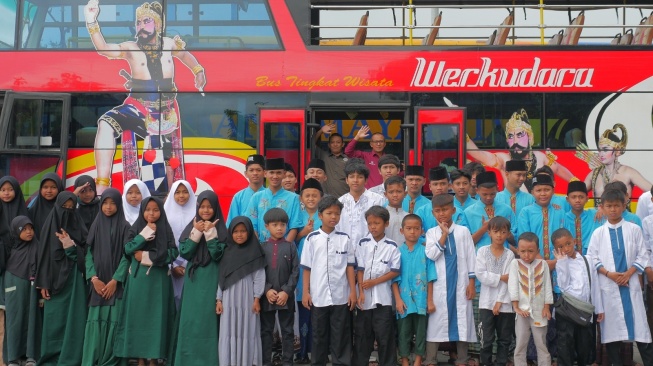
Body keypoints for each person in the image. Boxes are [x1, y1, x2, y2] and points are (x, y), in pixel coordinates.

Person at [85, 0, 206, 194]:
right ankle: (102, 186)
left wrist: (198, 70)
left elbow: (184, 56)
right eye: (138, 23)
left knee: (170, 163)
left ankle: (170, 198)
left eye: (146, 21)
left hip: (166, 112)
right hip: (137, 108)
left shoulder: (168, 44)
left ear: (157, 24)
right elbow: (104, 49)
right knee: (105, 123)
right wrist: (92, 21)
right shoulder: (131, 48)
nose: (141, 26)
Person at [587, 189, 653, 366]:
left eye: (617, 205)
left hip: (630, 285)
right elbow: (592, 258)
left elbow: (642, 254)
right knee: (612, 333)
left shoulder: (634, 229)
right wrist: (609, 274)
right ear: (602, 207)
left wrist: (630, 273)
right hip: (609, 288)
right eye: (609, 206)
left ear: (624, 206)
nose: (613, 209)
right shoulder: (598, 233)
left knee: (641, 330)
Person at [114, 197, 177, 366]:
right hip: (139, 280)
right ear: (142, 211)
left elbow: (173, 253)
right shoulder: (136, 228)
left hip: (159, 281)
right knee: (139, 318)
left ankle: (154, 358)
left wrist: (148, 257)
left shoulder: (165, 227)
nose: (151, 213)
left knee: (157, 319)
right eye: (148, 209)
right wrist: (144, 234)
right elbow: (128, 249)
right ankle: (140, 358)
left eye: (156, 210)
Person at [301, 195, 357, 366]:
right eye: (329, 213)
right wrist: (305, 292)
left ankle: (341, 362)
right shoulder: (312, 239)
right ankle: (318, 362)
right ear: (320, 215)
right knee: (319, 334)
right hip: (319, 296)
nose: (333, 217)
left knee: (341, 333)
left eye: (337, 214)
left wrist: (353, 292)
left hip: (341, 296)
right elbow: (307, 268)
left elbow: (349, 267)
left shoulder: (345, 239)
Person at [174, 190, 227, 366]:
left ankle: (209, 360)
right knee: (191, 319)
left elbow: (218, 255)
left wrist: (211, 234)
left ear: (215, 208)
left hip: (212, 277)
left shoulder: (221, 229)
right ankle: (187, 359)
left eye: (209, 206)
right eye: (202, 206)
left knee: (208, 319)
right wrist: (196, 233)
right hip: (194, 279)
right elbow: (185, 252)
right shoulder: (192, 226)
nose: (206, 210)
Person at [35, 191, 88, 366]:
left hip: (75, 280)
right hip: (52, 281)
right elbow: (42, 256)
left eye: (71, 208)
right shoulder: (48, 227)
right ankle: (50, 358)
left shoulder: (80, 227)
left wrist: (70, 245)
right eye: (64, 207)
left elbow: (87, 256)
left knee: (74, 318)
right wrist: (42, 282)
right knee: (54, 321)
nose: (67, 211)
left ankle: (71, 358)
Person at [424, 194, 477, 366]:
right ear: (433, 213)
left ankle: (462, 359)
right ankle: (431, 359)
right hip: (440, 286)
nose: (442, 214)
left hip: (461, 284)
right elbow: (432, 254)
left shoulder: (463, 231)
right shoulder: (431, 233)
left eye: (445, 209)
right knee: (436, 323)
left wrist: (471, 283)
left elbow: (471, 257)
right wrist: (444, 235)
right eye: (438, 211)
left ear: (453, 210)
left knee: (463, 320)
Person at [466, 109, 575, 191]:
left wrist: (578, 184)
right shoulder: (504, 159)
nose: (515, 141)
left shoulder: (540, 157)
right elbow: (478, 154)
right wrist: (460, 125)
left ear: (530, 137)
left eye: (519, 135)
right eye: (510, 137)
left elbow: (558, 169)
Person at [82, 188, 130, 366]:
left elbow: (128, 256)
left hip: (115, 287)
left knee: (114, 323)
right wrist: (93, 278)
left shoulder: (125, 227)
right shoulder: (95, 225)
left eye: (113, 203)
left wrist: (115, 281)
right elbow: (88, 254)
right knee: (96, 323)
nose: (109, 207)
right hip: (97, 285)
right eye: (105, 203)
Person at [353, 206, 401, 366]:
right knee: (362, 336)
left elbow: (394, 271)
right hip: (364, 300)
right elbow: (360, 269)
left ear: (386, 224)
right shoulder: (362, 243)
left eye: (377, 223)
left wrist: (374, 282)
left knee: (385, 336)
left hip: (383, 299)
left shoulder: (392, 246)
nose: (373, 227)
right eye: (370, 223)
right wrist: (360, 291)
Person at [216, 217, 266, 366]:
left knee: (247, 329)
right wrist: (219, 299)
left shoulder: (255, 252)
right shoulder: (227, 252)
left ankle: (246, 362)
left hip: (247, 298)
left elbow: (259, 277)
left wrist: (257, 298)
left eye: (243, 231)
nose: (239, 234)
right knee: (229, 330)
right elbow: (222, 278)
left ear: (249, 232)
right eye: (236, 231)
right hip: (228, 298)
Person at [551, 228, 604, 366]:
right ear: (555, 249)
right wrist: (562, 262)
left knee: (585, 345)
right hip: (568, 310)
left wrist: (599, 309)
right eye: (560, 247)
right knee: (565, 344)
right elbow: (563, 286)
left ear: (574, 241)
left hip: (584, 310)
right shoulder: (561, 262)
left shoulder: (588, 260)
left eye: (568, 243)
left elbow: (595, 286)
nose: (566, 248)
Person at [392, 214, 436, 366]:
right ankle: (404, 360)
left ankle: (418, 360)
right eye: (408, 228)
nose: (412, 232)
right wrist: (397, 300)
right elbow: (394, 279)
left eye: (416, 228)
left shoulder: (426, 251)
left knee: (421, 331)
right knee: (403, 332)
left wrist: (430, 300)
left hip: (421, 300)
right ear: (401, 230)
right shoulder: (397, 252)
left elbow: (431, 277)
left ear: (422, 231)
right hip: (403, 300)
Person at [260, 208, 299, 366]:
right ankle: (265, 361)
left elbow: (296, 271)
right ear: (266, 226)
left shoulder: (290, 247)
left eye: (283, 224)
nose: (279, 228)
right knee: (266, 331)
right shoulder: (262, 248)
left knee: (287, 331)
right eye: (275, 224)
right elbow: (258, 272)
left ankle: (287, 362)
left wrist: (286, 292)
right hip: (267, 296)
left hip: (286, 298)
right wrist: (267, 289)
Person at [475, 216, 515, 366]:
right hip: (486, 302)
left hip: (505, 303)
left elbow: (509, 280)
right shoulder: (482, 251)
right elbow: (481, 275)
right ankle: (485, 363)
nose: (499, 235)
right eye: (496, 231)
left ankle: (501, 363)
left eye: (503, 232)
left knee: (504, 339)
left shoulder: (509, 254)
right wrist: (500, 277)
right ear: (489, 233)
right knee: (486, 338)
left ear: (507, 234)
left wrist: (499, 302)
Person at [509, 232, 553, 366]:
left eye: (530, 251)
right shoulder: (515, 264)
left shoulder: (543, 264)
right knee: (520, 344)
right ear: (517, 250)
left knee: (541, 344)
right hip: (521, 312)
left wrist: (547, 307)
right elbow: (513, 285)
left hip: (540, 312)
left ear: (537, 251)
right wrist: (516, 307)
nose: (526, 255)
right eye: (522, 251)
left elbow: (547, 286)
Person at [579, 123, 652, 200]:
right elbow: (577, 194)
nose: (601, 154)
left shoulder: (628, 172)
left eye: (605, 150)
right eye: (600, 150)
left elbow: (650, 190)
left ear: (617, 151)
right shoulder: (594, 174)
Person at [294, 179, 323, 364]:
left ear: (321, 197)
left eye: (315, 195)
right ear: (301, 197)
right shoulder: (297, 215)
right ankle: (301, 351)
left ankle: (316, 352)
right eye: (307, 195)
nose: (311, 198)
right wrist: (302, 232)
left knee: (318, 312)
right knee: (302, 310)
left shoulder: (325, 215)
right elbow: (290, 239)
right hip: (300, 268)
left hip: (320, 269)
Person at [5, 216, 40, 366]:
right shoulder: (9, 249)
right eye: (24, 229)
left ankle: (31, 356)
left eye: (30, 228)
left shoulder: (38, 246)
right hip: (13, 289)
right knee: (15, 321)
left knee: (32, 320)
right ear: (15, 231)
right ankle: (13, 356)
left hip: (32, 289)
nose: (29, 232)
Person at [247, 158, 303, 242]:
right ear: (265, 174)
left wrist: (285, 248)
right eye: (271, 172)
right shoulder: (256, 197)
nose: (275, 176)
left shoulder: (293, 198)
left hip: (285, 249)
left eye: (278, 173)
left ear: (284, 174)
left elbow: (294, 226)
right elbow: (252, 225)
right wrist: (258, 248)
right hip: (261, 248)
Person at [336, 158, 385, 250]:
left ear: (366, 180)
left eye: (360, 177)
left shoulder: (377, 200)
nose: (355, 180)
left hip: (370, 250)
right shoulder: (340, 202)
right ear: (346, 180)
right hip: (344, 250)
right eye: (351, 176)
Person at [163, 180, 197, 308]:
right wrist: (173, 265)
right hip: (170, 265)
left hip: (192, 265)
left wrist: (186, 264)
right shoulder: (165, 214)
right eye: (177, 192)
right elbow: (164, 242)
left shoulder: (197, 213)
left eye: (185, 192)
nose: (181, 196)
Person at [464, 171, 516, 253]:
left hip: (504, 258)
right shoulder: (469, 212)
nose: (488, 197)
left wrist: (506, 232)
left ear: (497, 189)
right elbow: (466, 243)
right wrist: (483, 228)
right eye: (484, 194)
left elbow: (515, 240)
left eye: (492, 194)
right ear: (477, 190)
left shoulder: (506, 210)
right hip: (479, 259)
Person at [0, 176, 29, 316]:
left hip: (19, 265)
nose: (6, 193)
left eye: (10, 190)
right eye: (3, 190)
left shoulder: (24, 211)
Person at [416, 166, 466, 232]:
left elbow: (462, 234)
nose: (439, 188)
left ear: (449, 186)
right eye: (435, 184)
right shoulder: (421, 212)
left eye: (443, 184)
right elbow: (417, 237)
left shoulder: (458, 212)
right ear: (430, 187)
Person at [227, 154, 265, 226]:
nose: (255, 173)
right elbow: (232, 223)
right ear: (246, 173)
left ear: (264, 173)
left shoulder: (269, 195)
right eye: (251, 170)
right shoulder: (238, 197)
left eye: (258, 170)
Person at [313, 123, 349, 197]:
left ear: (343, 144)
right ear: (329, 145)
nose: (335, 144)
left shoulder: (348, 159)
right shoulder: (323, 155)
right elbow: (310, 144)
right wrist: (321, 131)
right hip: (325, 198)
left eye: (338, 142)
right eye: (332, 142)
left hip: (344, 198)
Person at [563, 181, 599, 255]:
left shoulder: (594, 214)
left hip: (590, 260)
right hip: (568, 261)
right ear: (567, 199)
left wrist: (601, 208)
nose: (577, 200)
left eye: (581, 197)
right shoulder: (563, 218)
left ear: (586, 199)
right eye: (573, 197)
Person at [27, 173, 63, 239]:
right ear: (40, 189)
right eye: (45, 187)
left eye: (53, 187)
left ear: (59, 188)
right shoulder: (32, 211)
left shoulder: (64, 209)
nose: (49, 191)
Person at [385, 176, 408, 244]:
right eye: (391, 192)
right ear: (385, 194)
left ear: (405, 194)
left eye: (399, 191)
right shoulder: (381, 217)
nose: (395, 195)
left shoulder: (408, 217)